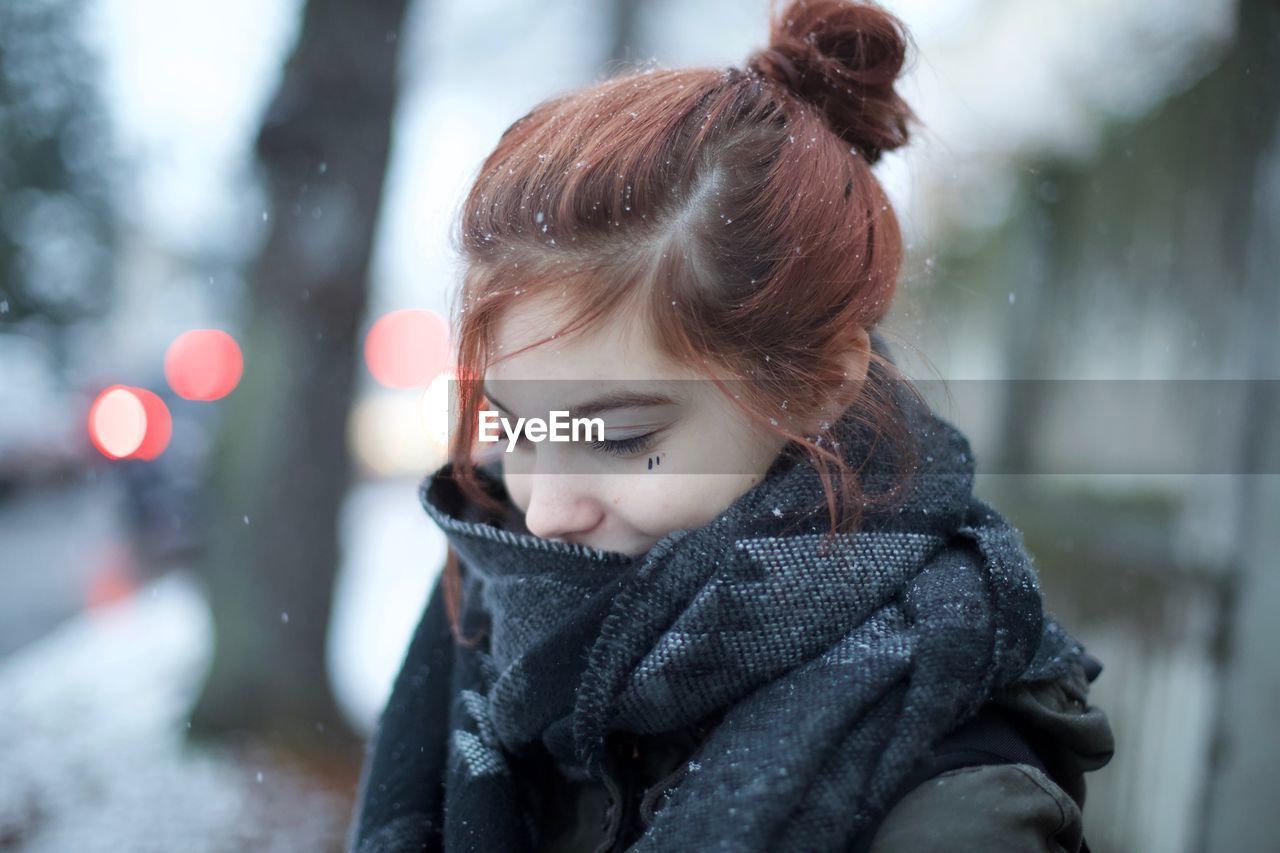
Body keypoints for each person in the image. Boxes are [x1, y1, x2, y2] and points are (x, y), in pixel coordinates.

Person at [348, 1, 1115, 850]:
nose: (543, 510)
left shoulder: (953, 802)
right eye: (518, 425)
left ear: (818, 386)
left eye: (618, 436)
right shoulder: (495, 635)